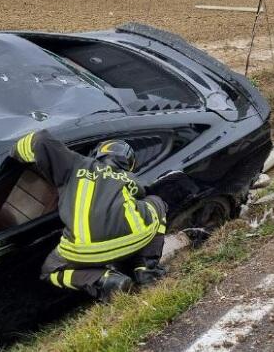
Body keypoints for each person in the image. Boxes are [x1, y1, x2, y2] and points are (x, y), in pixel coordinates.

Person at [11, 129, 177, 300]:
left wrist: (13, 151)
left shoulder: (77, 164)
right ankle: (146, 269)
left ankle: (105, 280)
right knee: (158, 202)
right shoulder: (133, 180)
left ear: (97, 153)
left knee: (51, 270)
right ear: (128, 164)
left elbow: (40, 139)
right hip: (137, 237)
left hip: (86, 249)